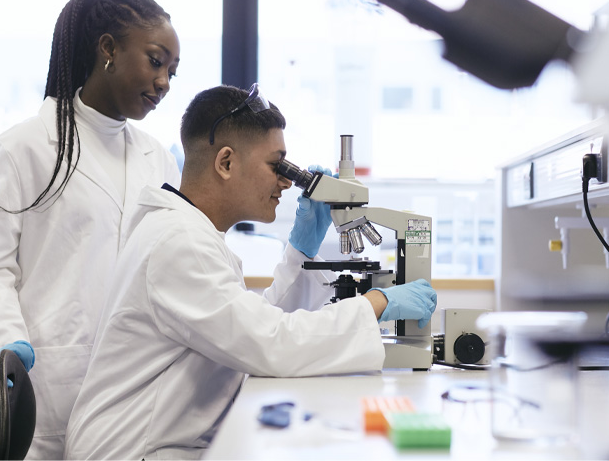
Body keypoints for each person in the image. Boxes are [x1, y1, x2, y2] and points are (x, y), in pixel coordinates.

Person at [63, 85, 437, 460]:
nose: (287, 182)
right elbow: (272, 343)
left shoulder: (191, 233)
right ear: (225, 163)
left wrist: (300, 252)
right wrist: (377, 301)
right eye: (277, 166)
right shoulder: (179, 243)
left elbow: (256, 327)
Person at [0, 0, 181, 459]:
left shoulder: (159, 159)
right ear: (108, 49)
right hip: (42, 403)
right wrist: (2, 345)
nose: (164, 82)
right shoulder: (26, 147)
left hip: (129, 406)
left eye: (172, 71)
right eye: (155, 62)